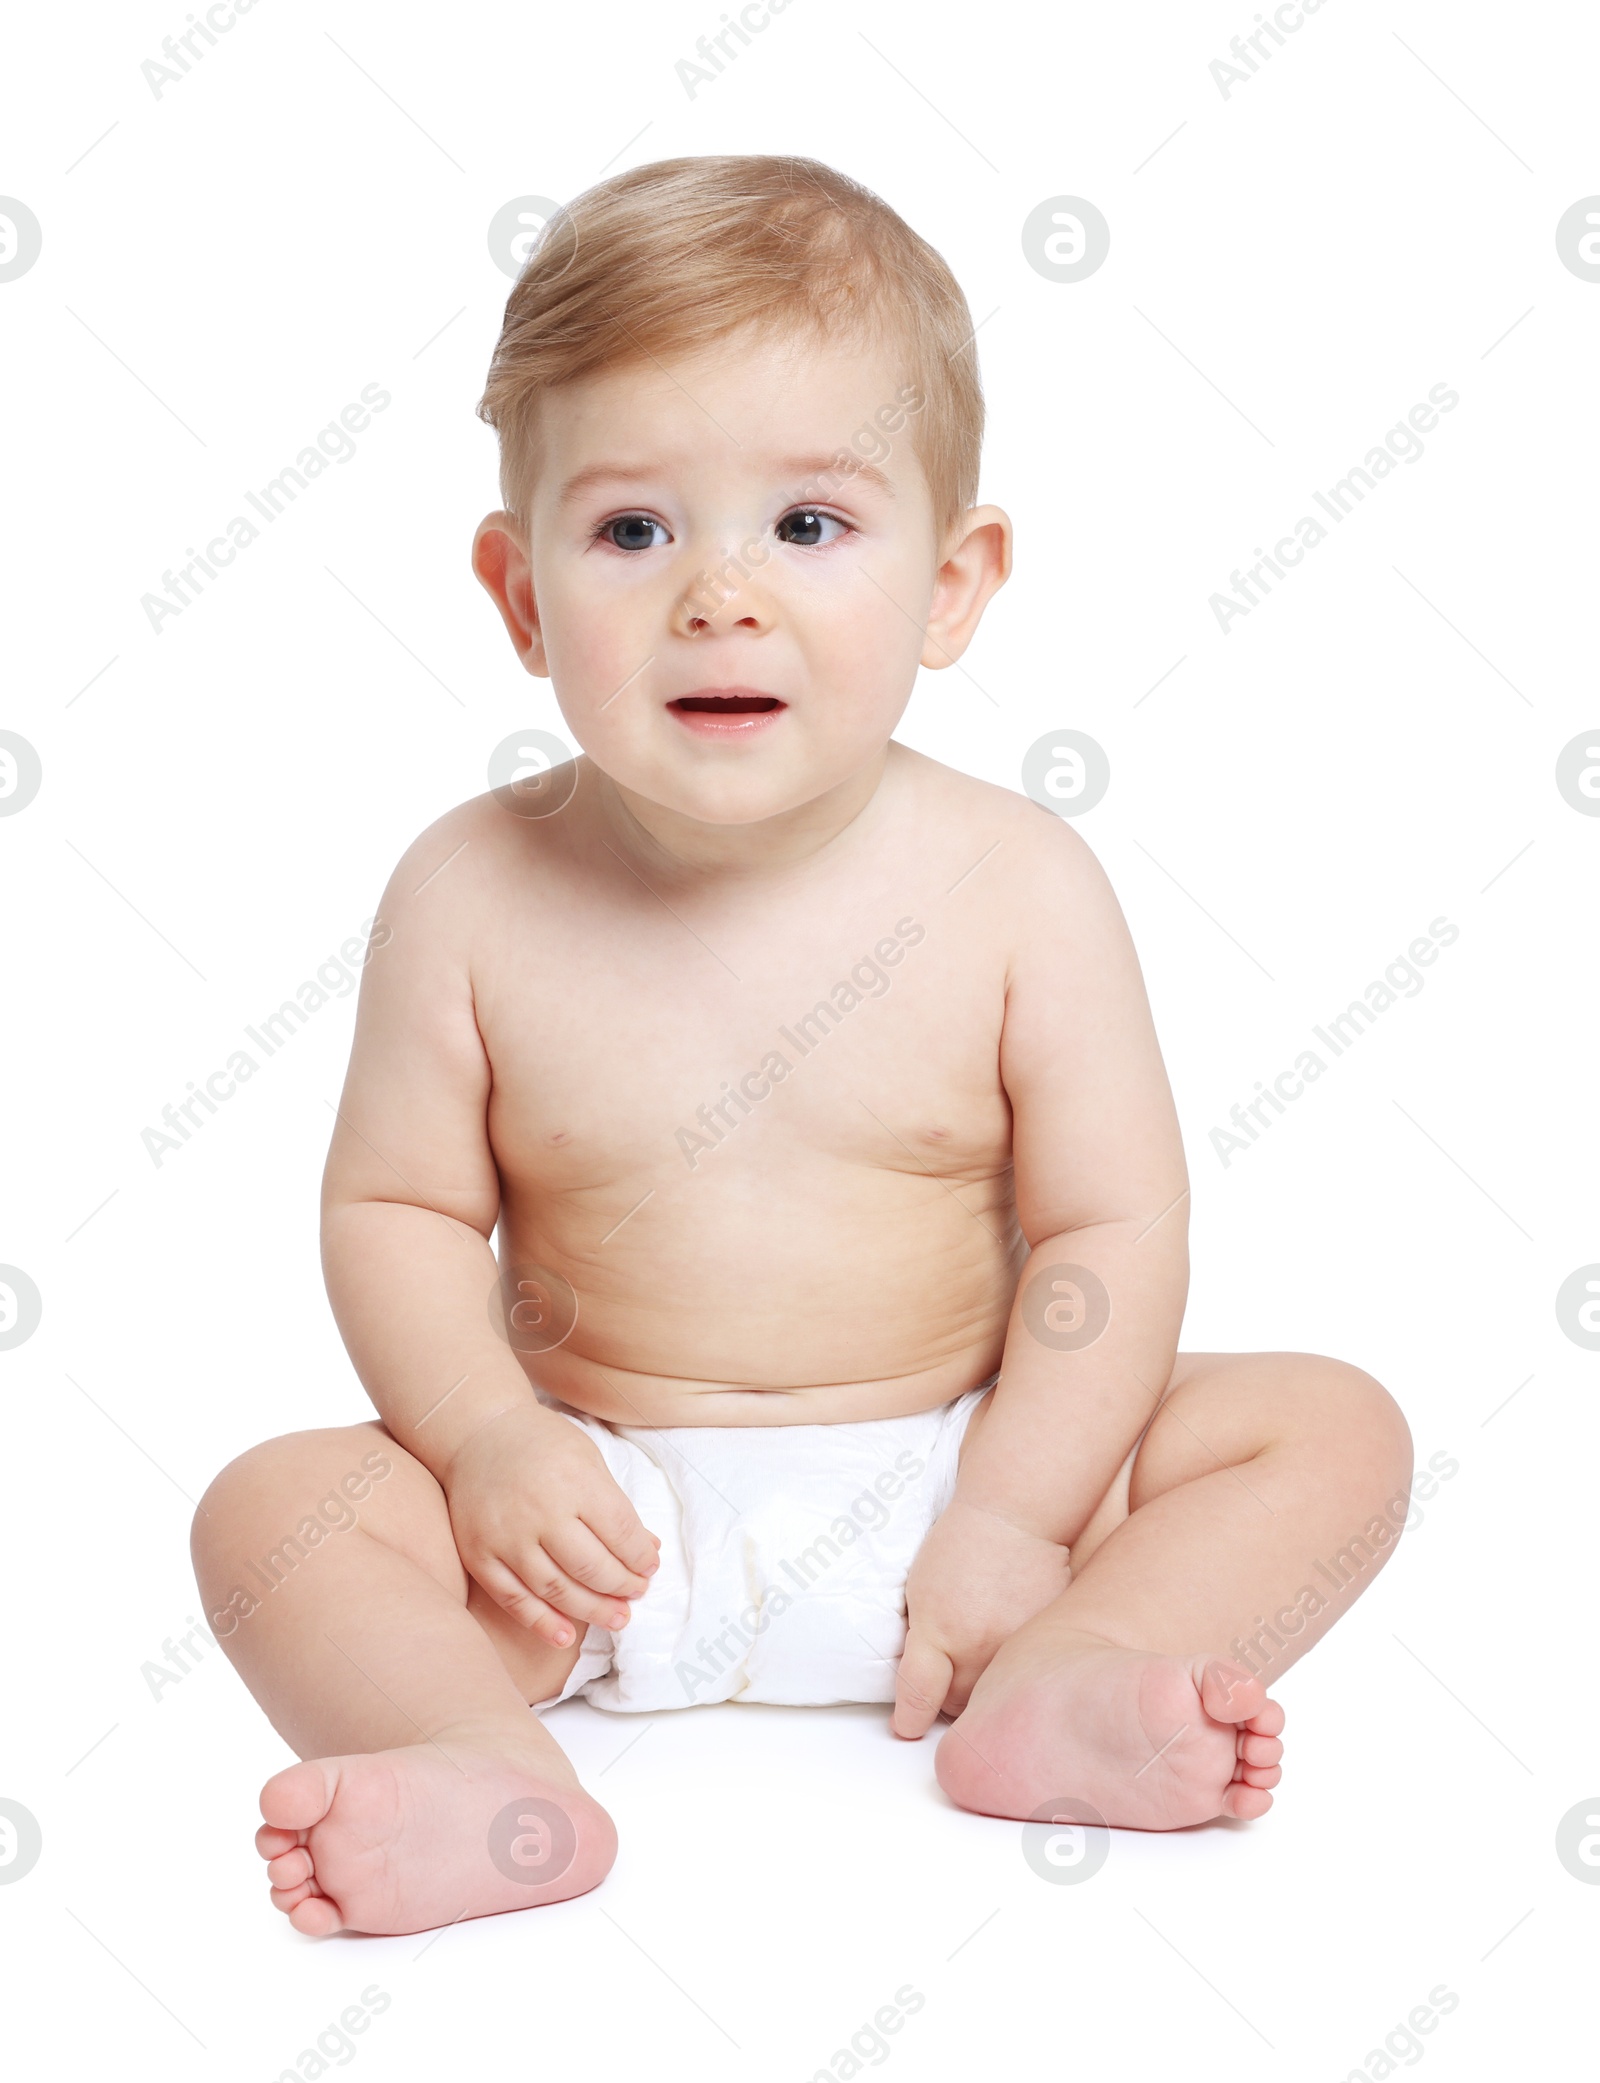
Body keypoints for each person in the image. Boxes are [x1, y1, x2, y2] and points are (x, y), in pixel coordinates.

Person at [192, 154, 1412, 1938]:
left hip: (972, 1485)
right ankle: (481, 1764)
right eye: (631, 531)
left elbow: (1109, 1235)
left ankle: (1075, 1668)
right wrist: (482, 1448)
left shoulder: (1017, 883)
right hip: (595, 1528)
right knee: (273, 1513)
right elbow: (394, 1212)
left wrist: (1015, 1513)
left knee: (1329, 1430)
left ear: (953, 584)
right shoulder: (468, 892)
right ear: (518, 595)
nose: (718, 594)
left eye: (811, 526)